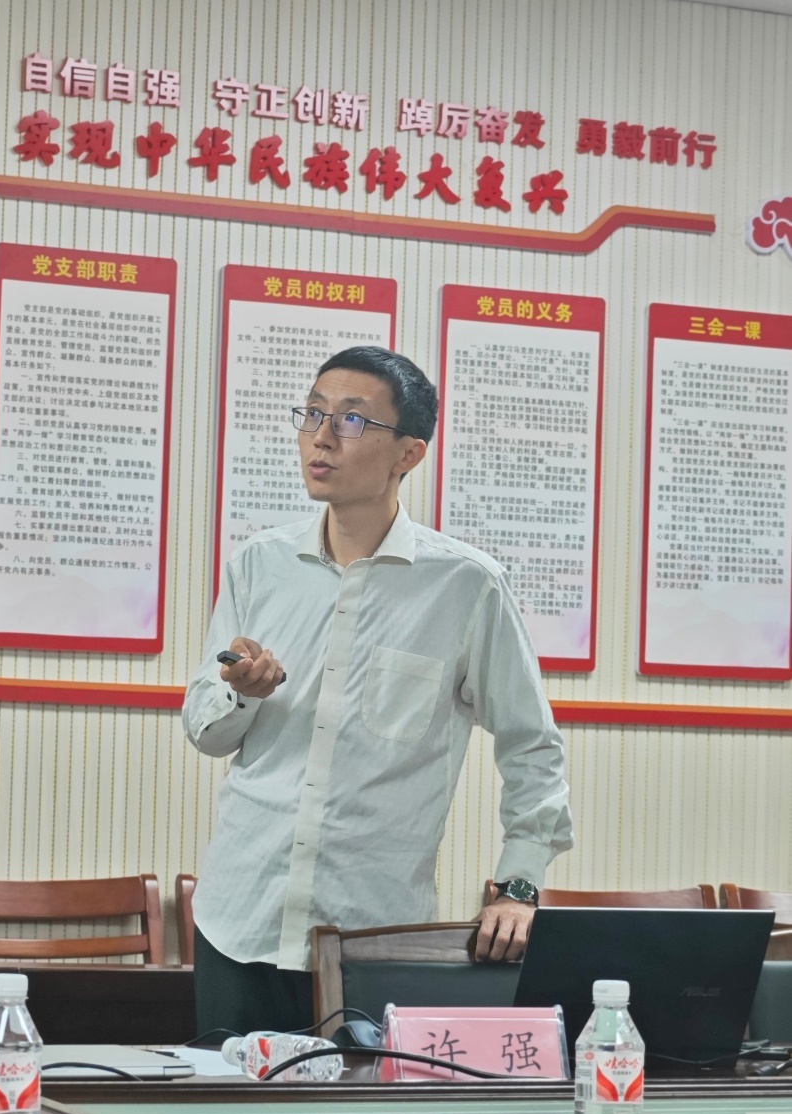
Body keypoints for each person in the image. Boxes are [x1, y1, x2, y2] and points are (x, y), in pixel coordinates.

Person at [183, 346, 573, 1037]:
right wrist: (242, 693)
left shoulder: (465, 586)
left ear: (409, 454)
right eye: (313, 413)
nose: (322, 437)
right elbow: (205, 733)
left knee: (363, 1110)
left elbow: (531, 744)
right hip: (238, 922)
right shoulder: (259, 565)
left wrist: (519, 884)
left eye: (352, 420)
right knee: (230, 1110)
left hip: (373, 936)